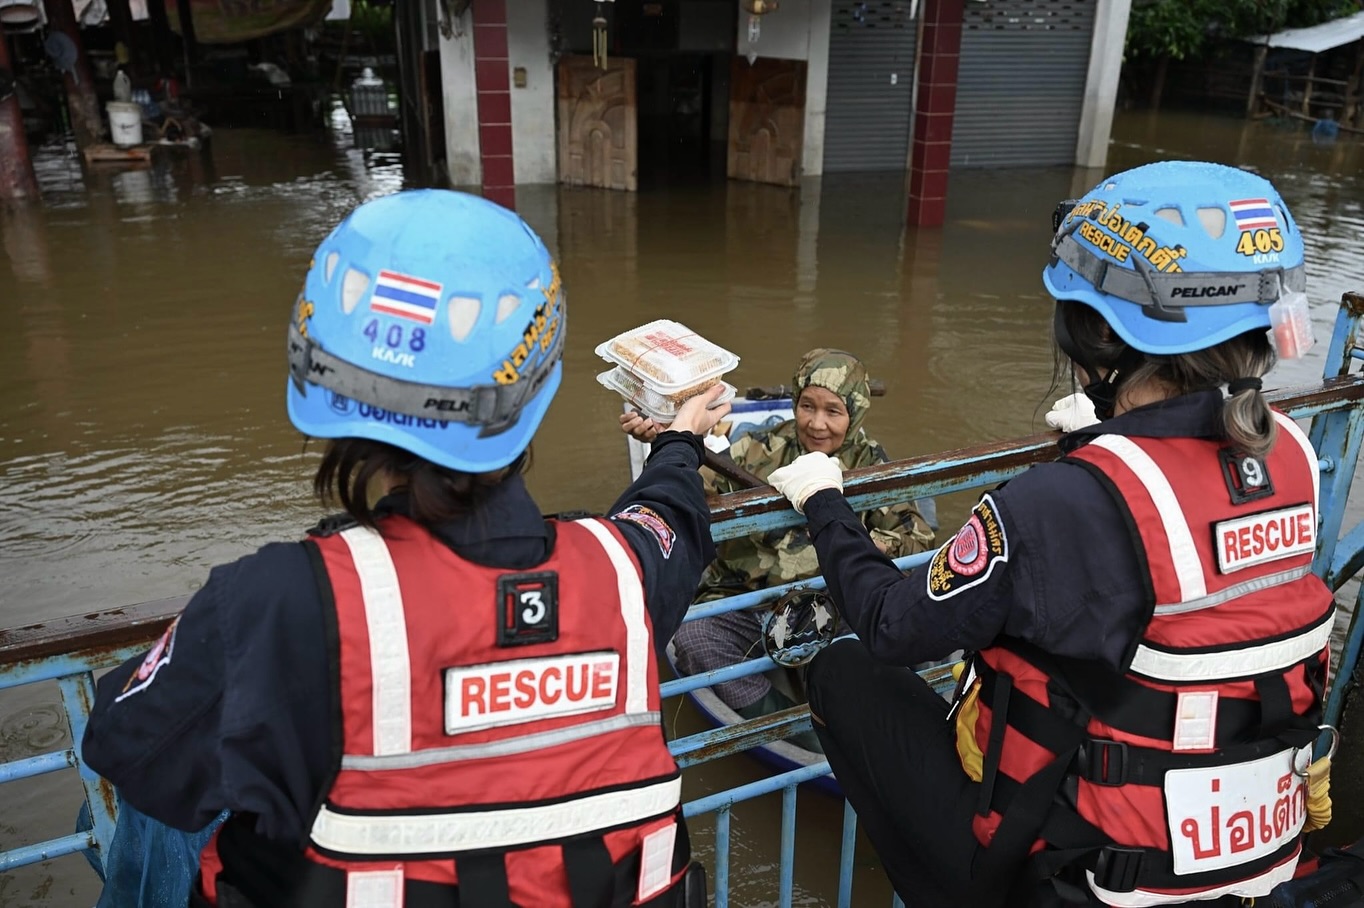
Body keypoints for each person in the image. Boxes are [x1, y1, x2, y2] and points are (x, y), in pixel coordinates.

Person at [80, 189, 729, 908]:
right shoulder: (620, 571)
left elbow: (128, 747)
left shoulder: (277, 601)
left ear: (322, 378)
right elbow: (667, 514)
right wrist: (678, 440)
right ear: (536, 385)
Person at [764, 161, 1335, 907]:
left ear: (1096, 335)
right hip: (1240, 854)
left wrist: (824, 503)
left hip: (1075, 875)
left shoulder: (1053, 505)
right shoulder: (1292, 455)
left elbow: (892, 625)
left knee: (845, 669)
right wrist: (1100, 446)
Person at [620, 349, 935, 733]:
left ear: (856, 414)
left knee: (891, 634)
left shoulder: (873, 466)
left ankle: (856, 716)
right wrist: (668, 443)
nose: (817, 424)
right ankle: (795, 732)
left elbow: (917, 538)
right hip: (753, 606)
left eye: (833, 412)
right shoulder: (757, 449)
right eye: (807, 407)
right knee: (695, 638)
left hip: (832, 610)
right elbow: (686, 494)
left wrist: (864, 544)